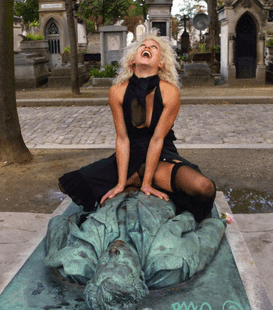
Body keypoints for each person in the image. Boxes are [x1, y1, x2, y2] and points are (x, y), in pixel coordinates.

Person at [58, 34, 215, 222]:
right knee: (69, 185)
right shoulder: (117, 91)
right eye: (143, 45)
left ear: (162, 63)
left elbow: (157, 139)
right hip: (128, 156)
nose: (147, 47)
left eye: (154, 47)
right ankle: (131, 179)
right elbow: (122, 138)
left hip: (160, 157)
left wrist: (147, 184)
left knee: (204, 188)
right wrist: (121, 182)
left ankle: (140, 178)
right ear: (132, 60)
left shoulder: (170, 93)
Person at [44, 189, 228, 310]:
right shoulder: (170, 263)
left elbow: (58, 223)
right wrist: (222, 222)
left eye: (105, 262)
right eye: (122, 264)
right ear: (140, 276)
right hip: (160, 189)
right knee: (203, 187)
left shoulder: (76, 263)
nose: (112, 252)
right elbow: (208, 236)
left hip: (115, 187)